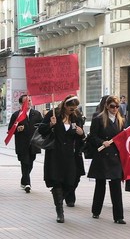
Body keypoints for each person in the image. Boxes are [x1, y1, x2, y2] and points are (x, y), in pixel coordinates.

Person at [38, 95, 85, 223]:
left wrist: (81, 133)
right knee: (57, 181)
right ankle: (59, 211)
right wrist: (50, 124)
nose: (73, 110)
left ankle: (59, 197)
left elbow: (80, 136)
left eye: (75, 108)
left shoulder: (76, 117)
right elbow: (41, 130)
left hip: (70, 155)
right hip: (55, 154)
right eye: (71, 108)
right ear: (65, 105)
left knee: (71, 181)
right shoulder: (53, 115)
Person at [87, 95, 126, 224]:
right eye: (112, 106)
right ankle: (96, 210)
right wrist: (102, 142)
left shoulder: (121, 120)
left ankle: (119, 216)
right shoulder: (99, 119)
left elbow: (123, 137)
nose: (115, 109)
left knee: (116, 186)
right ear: (107, 106)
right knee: (100, 185)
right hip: (102, 155)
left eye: (117, 106)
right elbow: (92, 136)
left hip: (115, 156)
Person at [8, 95, 43, 193]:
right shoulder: (16, 115)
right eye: (26, 101)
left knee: (31, 162)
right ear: (21, 104)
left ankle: (24, 180)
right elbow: (10, 129)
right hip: (22, 143)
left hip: (34, 143)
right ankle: (27, 184)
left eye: (30, 101)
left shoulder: (36, 114)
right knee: (25, 162)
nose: (29, 103)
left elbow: (42, 126)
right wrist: (17, 129)